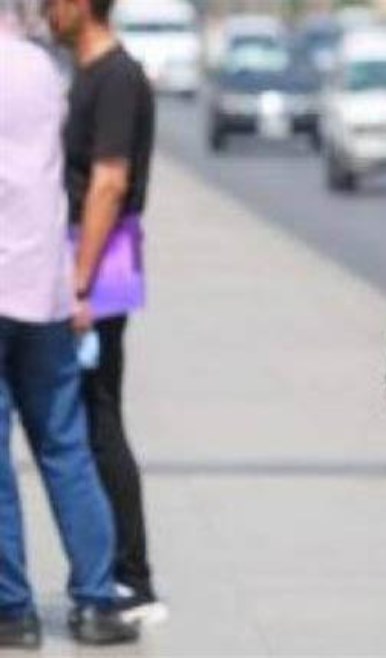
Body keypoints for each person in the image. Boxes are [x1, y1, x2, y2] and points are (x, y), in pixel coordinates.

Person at [0, 0, 139, 647]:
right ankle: (95, 601)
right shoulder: (42, 70)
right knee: (66, 449)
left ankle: (13, 611)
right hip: (46, 289)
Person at [43, 0, 166, 624]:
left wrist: (80, 281)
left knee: (99, 418)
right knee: (92, 418)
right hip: (85, 263)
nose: (44, 12)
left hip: (96, 266)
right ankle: (117, 571)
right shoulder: (87, 73)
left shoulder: (115, 76)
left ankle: (132, 577)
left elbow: (109, 182)